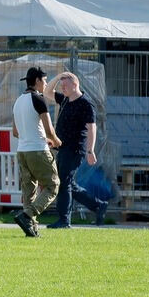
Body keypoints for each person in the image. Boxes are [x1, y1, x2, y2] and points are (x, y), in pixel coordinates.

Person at [44, 71, 108, 228]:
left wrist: (90, 150)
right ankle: (98, 206)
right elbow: (47, 92)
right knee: (67, 182)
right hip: (62, 147)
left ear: (75, 85)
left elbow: (91, 128)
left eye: (65, 85)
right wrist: (58, 76)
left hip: (75, 149)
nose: (62, 88)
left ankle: (64, 220)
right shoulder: (65, 100)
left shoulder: (85, 104)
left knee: (64, 183)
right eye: (62, 85)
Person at [12, 66, 61, 238]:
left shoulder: (18, 101)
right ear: (38, 81)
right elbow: (49, 130)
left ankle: (31, 229)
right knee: (52, 185)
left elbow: (15, 132)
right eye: (46, 80)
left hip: (22, 152)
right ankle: (27, 215)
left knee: (29, 192)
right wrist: (56, 141)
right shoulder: (39, 99)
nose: (46, 84)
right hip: (38, 150)